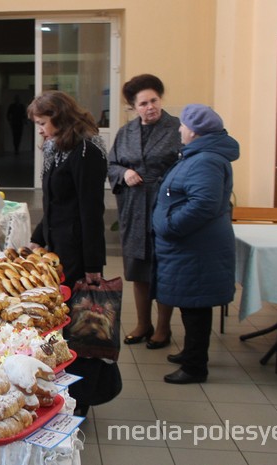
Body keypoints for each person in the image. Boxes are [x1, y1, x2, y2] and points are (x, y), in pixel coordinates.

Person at [28, 91, 110, 415]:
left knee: (79, 330)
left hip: (78, 250)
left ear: (60, 119)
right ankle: (62, 389)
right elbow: (53, 202)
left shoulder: (87, 151)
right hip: (57, 247)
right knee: (59, 325)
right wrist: (38, 238)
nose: (40, 130)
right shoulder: (55, 147)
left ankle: (82, 398)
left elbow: (91, 212)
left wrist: (93, 265)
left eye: (43, 123)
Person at [152, 104, 238, 384]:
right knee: (191, 304)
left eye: (184, 125)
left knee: (196, 306)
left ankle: (194, 366)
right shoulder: (199, 155)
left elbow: (204, 204)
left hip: (196, 247)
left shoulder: (206, 160)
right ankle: (191, 352)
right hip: (191, 246)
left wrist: (170, 225)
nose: (179, 129)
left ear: (195, 131)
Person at [107, 74, 181, 349]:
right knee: (138, 268)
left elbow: (184, 167)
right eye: (143, 103)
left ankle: (163, 328)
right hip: (134, 207)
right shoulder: (126, 132)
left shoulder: (176, 128)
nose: (150, 107)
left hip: (164, 206)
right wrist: (123, 173)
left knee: (163, 267)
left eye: (154, 100)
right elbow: (112, 164)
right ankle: (143, 323)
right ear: (133, 107)